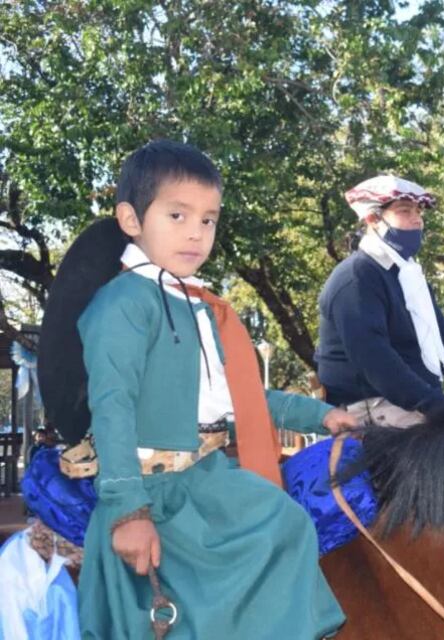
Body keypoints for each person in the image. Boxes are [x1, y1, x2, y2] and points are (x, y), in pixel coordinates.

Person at [70, 140, 352, 638]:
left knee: (287, 524)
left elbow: (240, 402)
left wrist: (319, 417)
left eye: (208, 220)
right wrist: (127, 512)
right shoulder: (122, 304)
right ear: (131, 220)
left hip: (207, 480)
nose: (197, 234)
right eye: (177, 215)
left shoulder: (198, 306)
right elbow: (112, 408)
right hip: (152, 492)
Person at [315, 175, 444, 428]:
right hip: (370, 408)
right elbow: (377, 361)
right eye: (404, 211)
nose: (417, 219)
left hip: (410, 402)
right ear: (372, 219)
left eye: (418, 211)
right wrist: (436, 405)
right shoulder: (356, 278)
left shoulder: (408, 276)